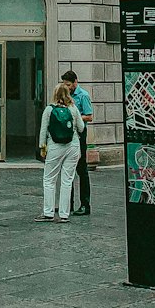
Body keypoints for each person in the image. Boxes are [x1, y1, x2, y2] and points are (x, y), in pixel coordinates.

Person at [37, 82, 84, 223]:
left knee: (49, 179)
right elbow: (81, 128)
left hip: (55, 146)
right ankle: (64, 215)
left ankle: (48, 212)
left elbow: (43, 130)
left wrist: (42, 147)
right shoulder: (73, 108)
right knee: (67, 180)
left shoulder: (49, 109)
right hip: (73, 145)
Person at [61, 69, 93, 216]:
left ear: (75, 82)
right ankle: (68, 203)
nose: (66, 87)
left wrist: (75, 117)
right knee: (68, 170)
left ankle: (85, 204)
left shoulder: (83, 95)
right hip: (68, 133)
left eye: (68, 84)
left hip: (80, 133)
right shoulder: (65, 95)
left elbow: (89, 116)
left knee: (81, 169)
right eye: (64, 84)